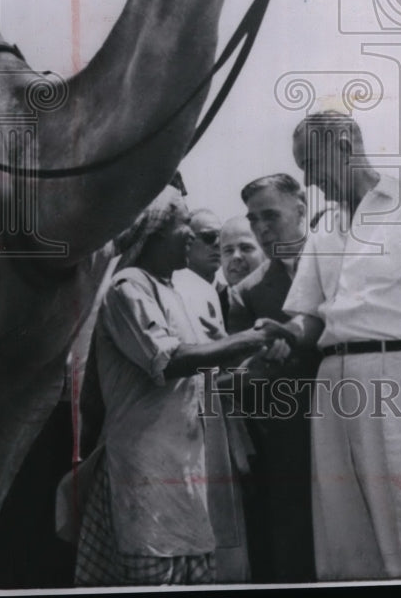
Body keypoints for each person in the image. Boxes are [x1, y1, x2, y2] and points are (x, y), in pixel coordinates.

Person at [257, 111, 401, 581]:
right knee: (345, 535)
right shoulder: (324, 227)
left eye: (311, 163)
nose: (309, 179)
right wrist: (286, 335)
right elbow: (310, 315)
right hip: (335, 383)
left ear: (345, 145)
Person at [73, 188, 284, 587]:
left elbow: (200, 379)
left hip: (187, 467)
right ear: (153, 232)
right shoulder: (128, 288)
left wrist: (254, 368)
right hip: (144, 466)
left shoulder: (176, 292)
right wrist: (251, 339)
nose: (190, 233)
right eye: (182, 224)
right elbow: (169, 361)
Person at [227, 174, 319, 582]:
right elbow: (239, 371)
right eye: (253, 219)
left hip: (354, 415)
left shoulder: (340, 257)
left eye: (271, 216)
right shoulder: (246, 293)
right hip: (287, 436)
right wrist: (263, 362)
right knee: (294, 541)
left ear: (301, 210)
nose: (262, 228)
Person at [171, 207, 252, 582]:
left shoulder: (233, 294)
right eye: (210, 240)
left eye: (238, 246)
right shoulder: (185, 292)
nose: (221, 252)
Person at [218, 216, 267, 327]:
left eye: (246, 248)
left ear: (265, 252)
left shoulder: (285, 299)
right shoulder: (212, 305)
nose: (236, 256)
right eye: (228, 250)